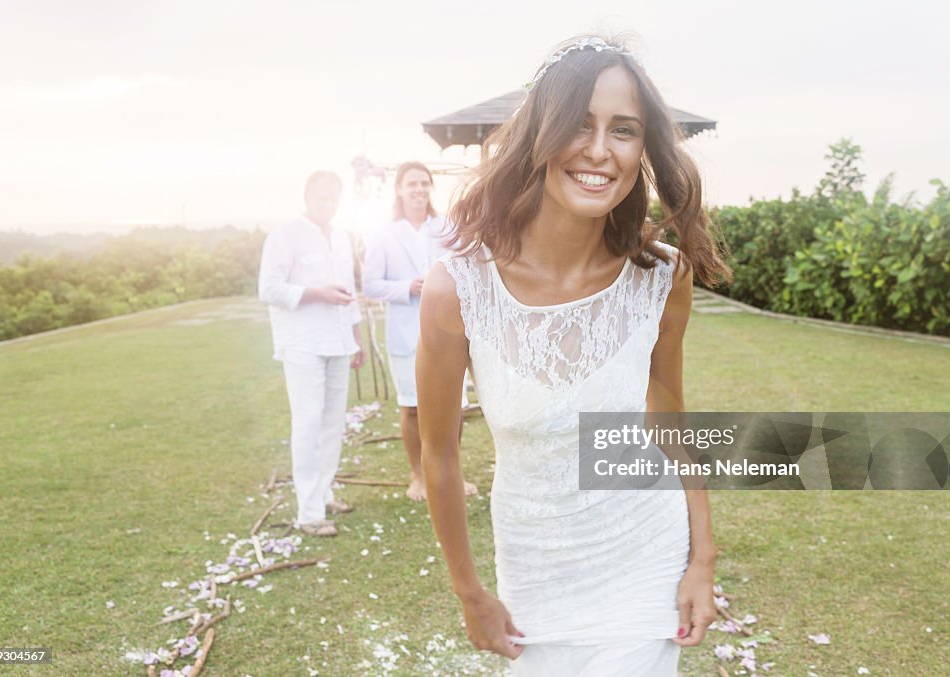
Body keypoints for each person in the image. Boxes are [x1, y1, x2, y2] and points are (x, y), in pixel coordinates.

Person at [417, 36, 730, 674]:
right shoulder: (459, 289)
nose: (598, 150)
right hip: (534, 569)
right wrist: (469, 591)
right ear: (539, 135)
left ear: (643, 149)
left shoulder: (660, 278)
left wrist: (702, 560)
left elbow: (668, 419)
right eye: (579, 125)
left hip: (645, 553)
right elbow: (439, 454)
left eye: (624, 130)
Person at [258, 170, 365, 537]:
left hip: (338, 341)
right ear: (307, 196)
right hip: (302, 341)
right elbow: (269, 288)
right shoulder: (285, 235)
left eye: (334, 198)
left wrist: (356, 337)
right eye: (322, 198)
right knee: (307, 421)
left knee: (334, 421)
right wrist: (316, 293)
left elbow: (349, 290)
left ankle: (323, 492)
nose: (328, 205)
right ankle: (308, 512)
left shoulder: (341, 237)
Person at [363, 161, 477, 502]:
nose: (418, 189)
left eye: (424, 183)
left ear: (430, 189)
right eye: (411, 184)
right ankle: (419, 477)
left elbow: (466, 270)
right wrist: (406, 287)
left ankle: (451, 475)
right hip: (404, 330)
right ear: (399, 189)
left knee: (453, 406)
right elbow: (370, 285)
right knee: (412, 407)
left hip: (447, 330)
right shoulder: (383, 234)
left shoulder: (447, 228)